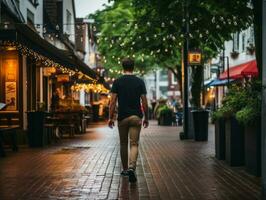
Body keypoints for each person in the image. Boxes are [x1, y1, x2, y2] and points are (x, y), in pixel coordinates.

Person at [108, 58, 149, 183]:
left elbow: (113, 101)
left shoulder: (117, 82)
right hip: (136, 117)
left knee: (123, 144)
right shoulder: (139, 82)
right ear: (133, 67)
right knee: (134, 144)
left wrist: (110, 117)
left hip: (123, 117)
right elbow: (144, 101)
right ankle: (132, 168)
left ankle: (125, 169)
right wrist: (146, 116)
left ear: (122, 67)